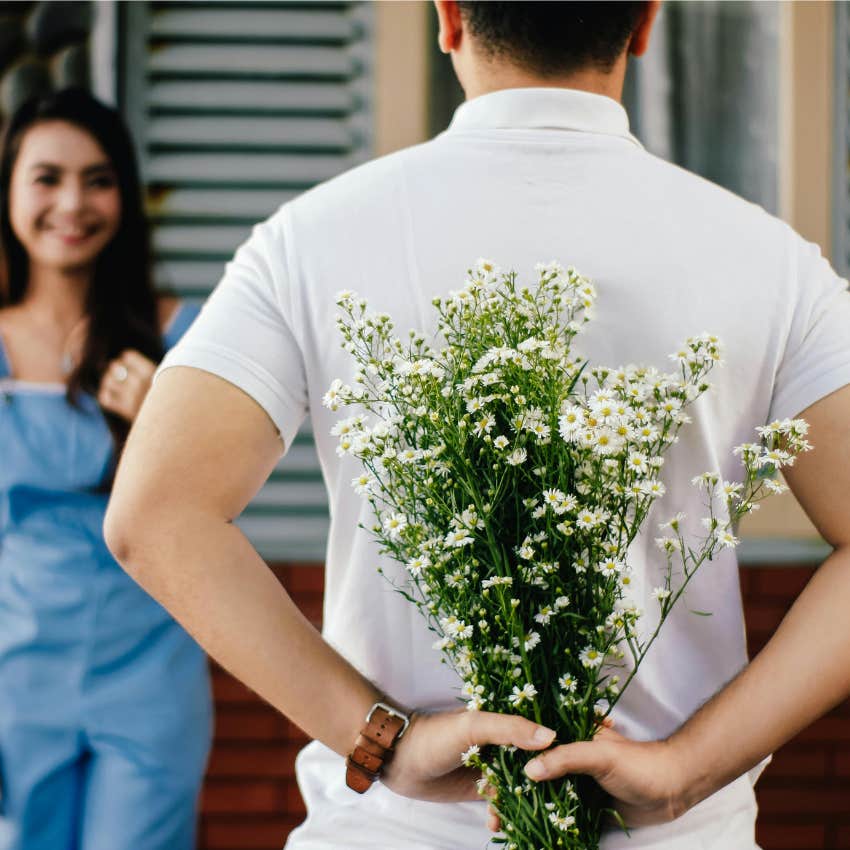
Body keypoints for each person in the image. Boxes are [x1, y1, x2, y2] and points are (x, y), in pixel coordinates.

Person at [104, 2, 850, 849]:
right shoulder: (772, 260)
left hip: (391, 833)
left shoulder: (308, 239)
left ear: (448, 16)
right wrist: (684, 770)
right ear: (644, 24)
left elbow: (153, 517)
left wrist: (382, 740)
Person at [0, 89, 211, 850]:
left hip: (150, 669)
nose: (72, 203)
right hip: (13, 676)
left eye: (98, 179)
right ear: (9, 192)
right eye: (47, 177)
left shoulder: (182, 334)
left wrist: (164, 421)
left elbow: (219, 508)